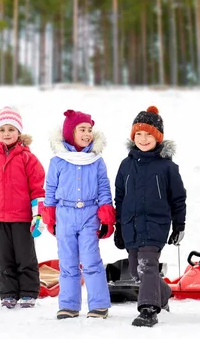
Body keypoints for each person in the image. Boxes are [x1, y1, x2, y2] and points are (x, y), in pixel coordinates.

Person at [113, 106, 187, 327]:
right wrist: (118, 225)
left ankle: (148, 310)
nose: (143, 139)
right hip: (131, 225)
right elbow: (120, 196)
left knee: (147, 265)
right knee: (136, 270)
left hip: (156, 224)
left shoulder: (167, 167)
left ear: (158, 138)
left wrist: (179, 225)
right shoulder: (126, 165)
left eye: (148, 135)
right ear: (133, 136)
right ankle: (161, 293)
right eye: (139, 134)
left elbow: (178, 198)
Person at [42, 109, 116, 320]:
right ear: (69, 133)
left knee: (91, 260)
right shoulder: (58, 161)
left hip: (89, 215)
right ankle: (69, 305)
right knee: (67, 262)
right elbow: (49, 190)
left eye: (89, 130)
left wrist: (106, 215)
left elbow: (103, 188)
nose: (87, 134)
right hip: (65, 215)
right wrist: (50, 215)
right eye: (82, 129)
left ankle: (99, 305)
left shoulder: (96, 160)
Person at [0, 106, 46, 309]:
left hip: (22, 218)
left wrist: (39, 215)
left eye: (11, 129)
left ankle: (29, 293)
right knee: (3, 258)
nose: (6, 134)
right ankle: (8, 293)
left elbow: (38, 190)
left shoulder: (29, 159)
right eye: (2, 130)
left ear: (19, 132)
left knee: (25, 256)